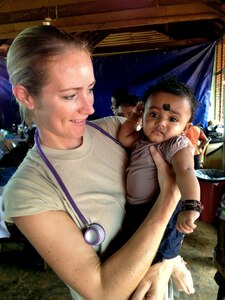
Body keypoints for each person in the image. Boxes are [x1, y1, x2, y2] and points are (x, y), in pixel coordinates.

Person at [2, 25, 182, 300]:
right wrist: (170, 197)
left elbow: (183, 159)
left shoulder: (117, 130)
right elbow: (102, 290)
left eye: (89, 89)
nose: (89, 107)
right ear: (25, 96)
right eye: (70, 95)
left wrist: (168, 259)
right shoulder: (29, 190)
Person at [118, 76, 203, 294]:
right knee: (134, 257)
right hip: (137, 210)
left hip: (163, 211)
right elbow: (124, 137)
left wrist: (191, 205)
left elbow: (186, 172)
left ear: (186, 127)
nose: (161, 122)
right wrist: (135, 115)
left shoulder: (176, 144)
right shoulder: (141, 139)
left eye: (173, 119)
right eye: (153, 114)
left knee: (157, 260)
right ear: (143, 114)